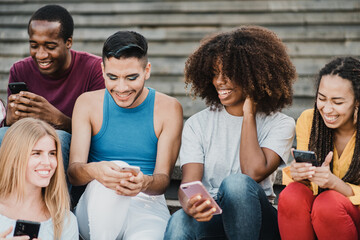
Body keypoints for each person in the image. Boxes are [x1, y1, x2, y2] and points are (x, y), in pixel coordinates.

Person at [164, 25, 297, 240]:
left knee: (236, 184)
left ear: (252, 75)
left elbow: (253, 172)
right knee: (179, 221)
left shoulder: (281, 124)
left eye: (229, 74)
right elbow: (189, 184)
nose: (219, 81)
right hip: (214, 215)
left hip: (259, 221)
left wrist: (248, 115)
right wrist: (191, 205)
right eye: (215, 74)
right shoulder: (198, 124)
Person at [67, 30, 183, 239]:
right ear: (102, 70)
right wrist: (95, 171)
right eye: (112, 77)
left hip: (147, 205)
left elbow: (163, 180)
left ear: (147, 71)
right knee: (114, 177)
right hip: (98, 202)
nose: (121, 88)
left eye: (131, 78)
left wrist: (144, 183)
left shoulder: (169, 108)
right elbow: (74, 173)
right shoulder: (87, 103)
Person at [0, 5, 105, 176]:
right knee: (2, 134)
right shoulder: (20, 70)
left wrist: (56, 119)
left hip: (75, 149)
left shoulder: (94, 69)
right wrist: (10, 121)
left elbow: (101, 134)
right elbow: (15, 130)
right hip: (30, 141)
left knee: (58, 140)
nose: (40, 55)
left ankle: (60, 202)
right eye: (34, 45)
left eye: (50, 46)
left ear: (68, 42)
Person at [278, 57, 360, 240]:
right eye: (321, 99)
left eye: (337, 102)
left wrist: (335, 184)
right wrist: (299, 174)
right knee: (292, 194)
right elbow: (309, 186)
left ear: (357, 102)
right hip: (319, 214)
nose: (327, 109)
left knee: (328, 204)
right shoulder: (310, 120)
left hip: (347, 215)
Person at [0, 118, 78, 239]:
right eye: (36, 153)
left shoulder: (65, 221)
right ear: (14, 159)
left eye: (52, 153)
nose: (47, 162)